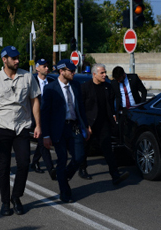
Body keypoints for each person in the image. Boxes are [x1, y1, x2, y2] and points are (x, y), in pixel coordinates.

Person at [0, 46, 41, 217]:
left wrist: (38, 125)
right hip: (2, 127)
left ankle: (16, 196)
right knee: (4, 166)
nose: (17, 61)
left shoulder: (27, 77)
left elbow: (35, 100)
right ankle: (5, 202)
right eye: (13, 58)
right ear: (4, 59)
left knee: (23, 163)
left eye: (18, 58)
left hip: (22, 126)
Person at [41, 59, 89, 203]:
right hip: (58, 129)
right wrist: (46, 135)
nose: (74, 73)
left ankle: (64, 175)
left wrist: (85, 126)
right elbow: (45, 113)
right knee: (62, 159)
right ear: (61, 71)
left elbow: (80, 107)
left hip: (73, 127)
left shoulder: (75, 85)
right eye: (71, 71)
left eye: (74, 70)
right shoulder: (50, 88)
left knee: (79, 156)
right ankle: (64, 191)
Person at [79, 63, 129, 185]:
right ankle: (82, 168)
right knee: (85, 148)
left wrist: (113, 115)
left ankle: (115, 175)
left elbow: (110, 103)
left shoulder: (108, 86)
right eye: (102, 73)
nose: (105, 75)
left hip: (104, 124)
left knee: (107, 150)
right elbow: (81, 108)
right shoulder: (85, 87)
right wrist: (86, 125)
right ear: (94, 74)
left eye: (105, 72)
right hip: (90, 123)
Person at [30, 58, 55, 177]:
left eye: (47, 66)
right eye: (44, 66)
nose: (47, 68)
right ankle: (51, 170)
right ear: (37, 68)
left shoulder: (51, 81)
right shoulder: (32, 81)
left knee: (42, 142)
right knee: (43, 142)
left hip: (50, 116)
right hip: (37, 117)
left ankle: (34, 162)